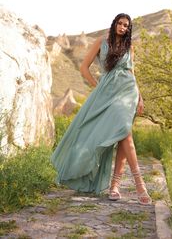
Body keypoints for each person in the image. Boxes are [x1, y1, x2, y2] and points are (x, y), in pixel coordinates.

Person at [51, 13, 152, 205]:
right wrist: (98, 86)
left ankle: (132, 185)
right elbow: (83, 68)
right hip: (107, 92)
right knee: (122, 133)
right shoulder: (101, 41)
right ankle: (122, 185)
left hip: (128, 91)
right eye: (120, 24)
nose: (123, 27)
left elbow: (132, 73)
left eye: (126, 26)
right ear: (114, 24)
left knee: (124, 132)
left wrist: (140, 97)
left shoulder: (129, 46)